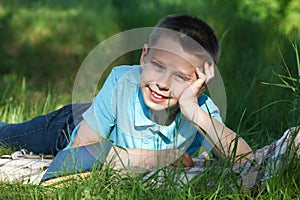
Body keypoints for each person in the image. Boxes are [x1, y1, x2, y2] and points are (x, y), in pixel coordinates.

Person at [0, 14, 298, 175]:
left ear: (200, 83)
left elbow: (247, 161)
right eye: (157, 65)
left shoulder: (198, 108)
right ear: (144, 57)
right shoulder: (122, 82)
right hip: (70, 127)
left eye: (181, 77)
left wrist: (195, 113)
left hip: (114, 139)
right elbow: (74, 158)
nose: (162, 83)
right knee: (9, 135)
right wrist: (157, 158)